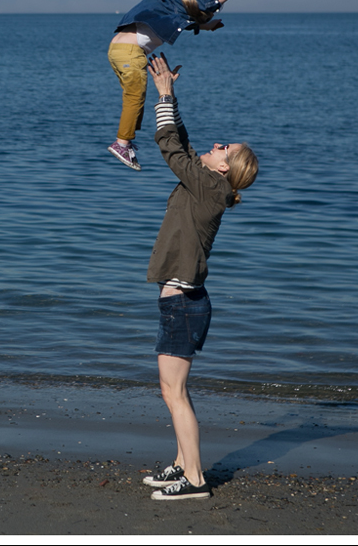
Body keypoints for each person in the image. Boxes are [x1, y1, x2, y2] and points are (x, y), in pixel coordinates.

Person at [141, 51, 259, 501]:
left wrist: (165, 96)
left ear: (224, 168)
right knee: (173, 391)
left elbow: (170, 146)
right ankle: (180, 465)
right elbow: (186, 145)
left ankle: (194, 480)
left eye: (222, 148)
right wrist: (171, 92)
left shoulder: (209, 185)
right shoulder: (208, 182)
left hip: (185, 305)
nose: (216, 145)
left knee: (175, 393)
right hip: (182, 303)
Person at [108, 0, 251, 171]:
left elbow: (177, 20)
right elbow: (204, 4)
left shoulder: (168, 0)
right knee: (135, 96)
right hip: (130, 52)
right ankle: (122, 143)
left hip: (118, 50)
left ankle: (127, 139)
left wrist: (205, 26)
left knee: (136, 97)